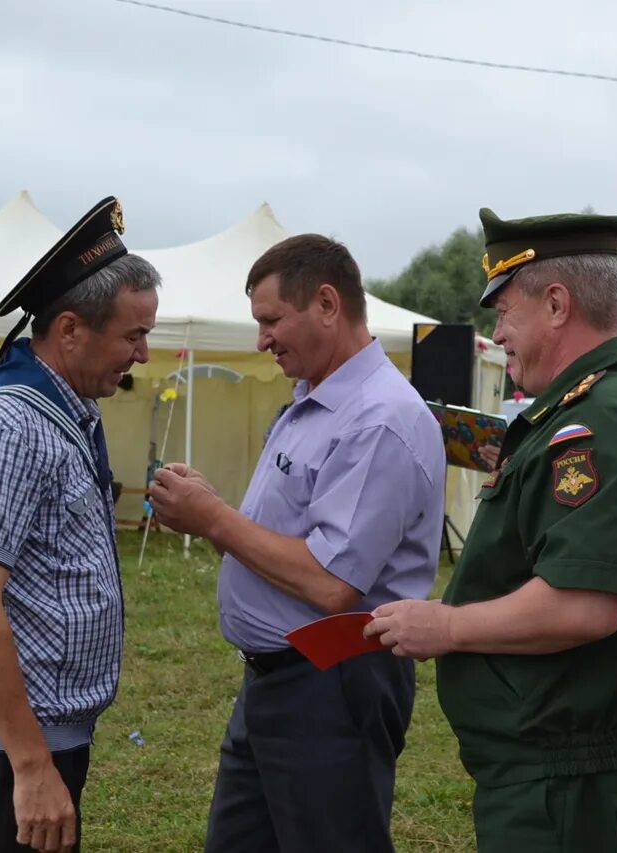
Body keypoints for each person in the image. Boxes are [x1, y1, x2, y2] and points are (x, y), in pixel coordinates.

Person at [365, 208, 617, 853]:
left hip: (572, 779)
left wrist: (449, 625)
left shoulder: (601, 420)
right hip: (567, 767)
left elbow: (585, 604)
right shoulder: (594, 406)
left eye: (504, 311)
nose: (498, 334)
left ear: (554, 304)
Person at [147, 234, 445, 853]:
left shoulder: (379, 418)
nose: (262, 340)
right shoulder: (313, 402)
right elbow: (279, 552)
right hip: (280, 684)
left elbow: (330, 583)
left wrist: (213, 518)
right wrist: (213, 517)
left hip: (331, 684)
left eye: (271, 320)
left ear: (328, 304)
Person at [0, 197, 159, 853]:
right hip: (5, 744)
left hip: (38, 730)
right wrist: (28, 763)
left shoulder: (64, 408)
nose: (143, 353)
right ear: (72, 330)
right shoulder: (9, 424)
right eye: (133, 336)